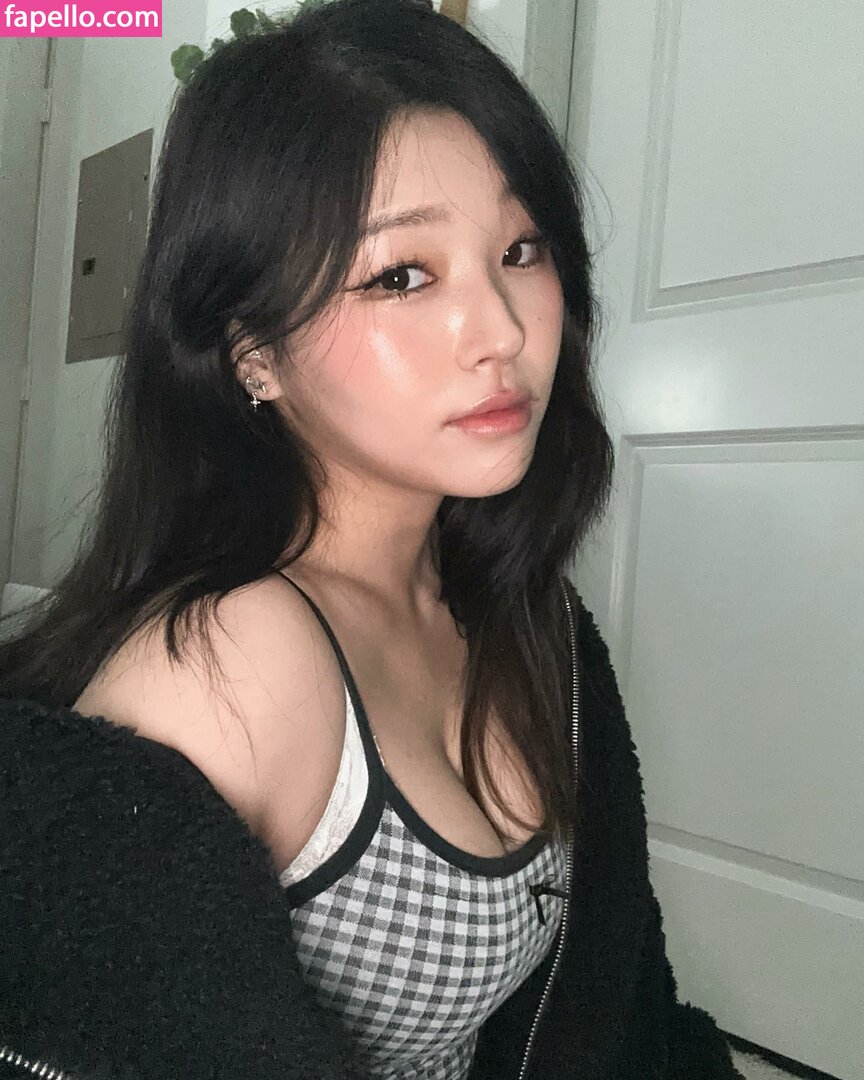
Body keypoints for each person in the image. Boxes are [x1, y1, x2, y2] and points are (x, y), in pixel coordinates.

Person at [0, 1, 744, 1077]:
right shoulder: (233, 666)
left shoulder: (529, 613)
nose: (502, 331)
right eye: (402, 275)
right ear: (253, 352)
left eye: (520, 249)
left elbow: (618, 1000)